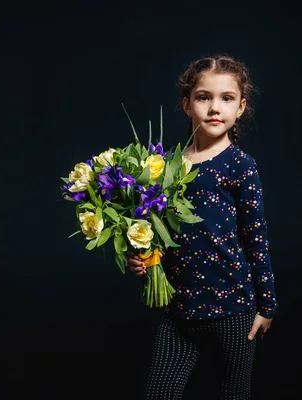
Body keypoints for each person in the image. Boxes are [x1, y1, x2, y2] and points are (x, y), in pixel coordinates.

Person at [126, 54, 278, 400]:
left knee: (233, 392)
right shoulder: (165, 164)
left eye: (226, 99)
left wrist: (267, 305)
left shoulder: (240, 165)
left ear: (240, 108)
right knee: (160, 392)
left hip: (233, 307)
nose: (214, 108)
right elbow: (154, 230)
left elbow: (256, 237)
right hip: (179, 309)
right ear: (186, 104)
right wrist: (141, 260)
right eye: (203, 97)